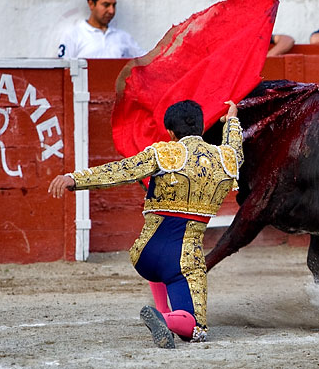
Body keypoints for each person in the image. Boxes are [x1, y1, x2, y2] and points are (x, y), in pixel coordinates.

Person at [48, 99, 243, 348]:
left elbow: (121, 171)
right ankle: (162, 317)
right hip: (183, 260)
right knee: (196, 329)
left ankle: (161, 312)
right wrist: (232, 120)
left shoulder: (164, 153)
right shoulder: (226, 159)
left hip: (146, 254)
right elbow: (235, 148)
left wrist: (74, 178)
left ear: (171, 132)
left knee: (161, 265)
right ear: (202, 127)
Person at [57, 0, 145, 59]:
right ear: (91, 4)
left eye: (113, 5)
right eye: (106, 5)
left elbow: (144, 62)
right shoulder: (73, 35)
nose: (111, 11)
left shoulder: (123, 37)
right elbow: (64, 69)